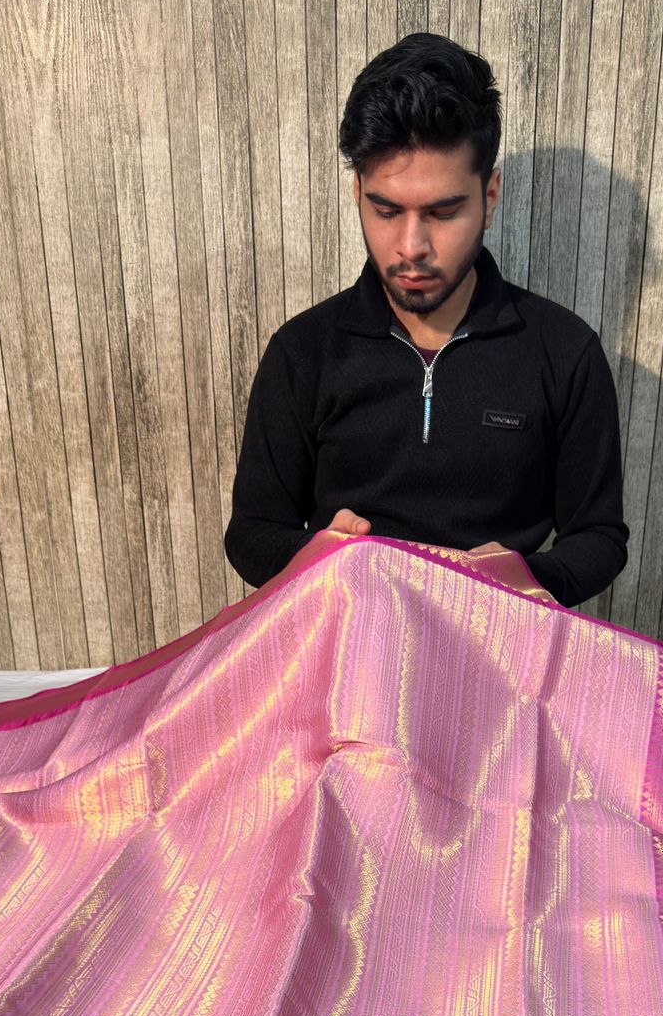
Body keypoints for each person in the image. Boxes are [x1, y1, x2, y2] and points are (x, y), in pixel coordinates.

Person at [224, 33, 628, 609]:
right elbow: (252, 531)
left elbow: (599, 535)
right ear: (358, 192)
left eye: (443, 212)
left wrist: (530, 579)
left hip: (502, 653)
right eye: (385, 210)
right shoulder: (303, 352)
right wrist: (315, 558)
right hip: (343, 654)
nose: (410, 246)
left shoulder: (564, 353)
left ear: (489, 196)